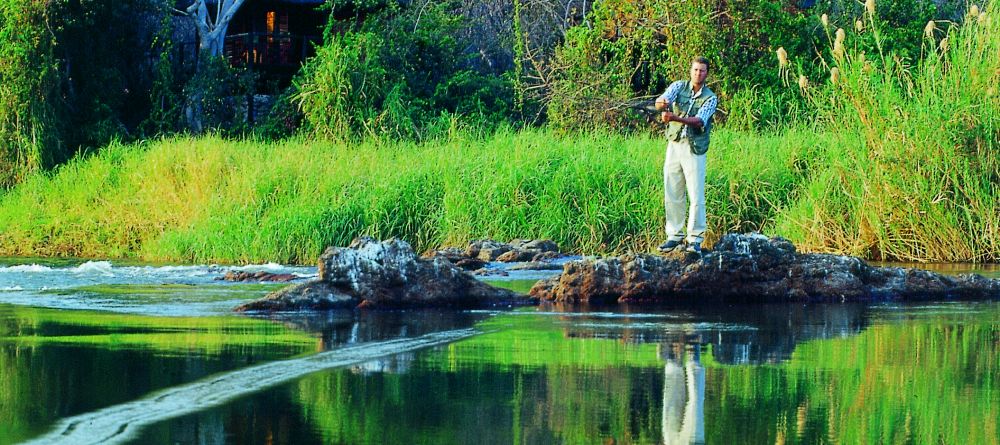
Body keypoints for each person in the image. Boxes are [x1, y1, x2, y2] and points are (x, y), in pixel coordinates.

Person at [654, 57, 719, 254]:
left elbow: (700, 121)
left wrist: (674, 117)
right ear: (690, 70)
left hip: (694, 149)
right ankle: (674, 236)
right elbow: (662, 101)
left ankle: (694, 239)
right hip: (674, 144)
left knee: (696, 194)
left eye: (702, 71)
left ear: (707, 74)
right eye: (695, 70)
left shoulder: (710, 97)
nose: (698, 73)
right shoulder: (678, 86)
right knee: (672, 190)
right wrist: (662, 104)